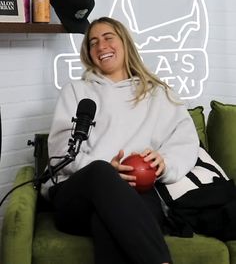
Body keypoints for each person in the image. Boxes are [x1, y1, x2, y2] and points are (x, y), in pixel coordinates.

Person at [41, 16, 199, 264]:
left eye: (107, 38)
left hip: (135, 193)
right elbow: (61, 150)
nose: (101, 47)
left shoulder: (159, 93)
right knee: (101, 172)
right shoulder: (77, 91)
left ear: (125, 43)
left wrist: (164, 162)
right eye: (93, 43)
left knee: (108, 221)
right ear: (88, 53)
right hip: (77, 194)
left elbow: (186, 140)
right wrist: (108, 168)